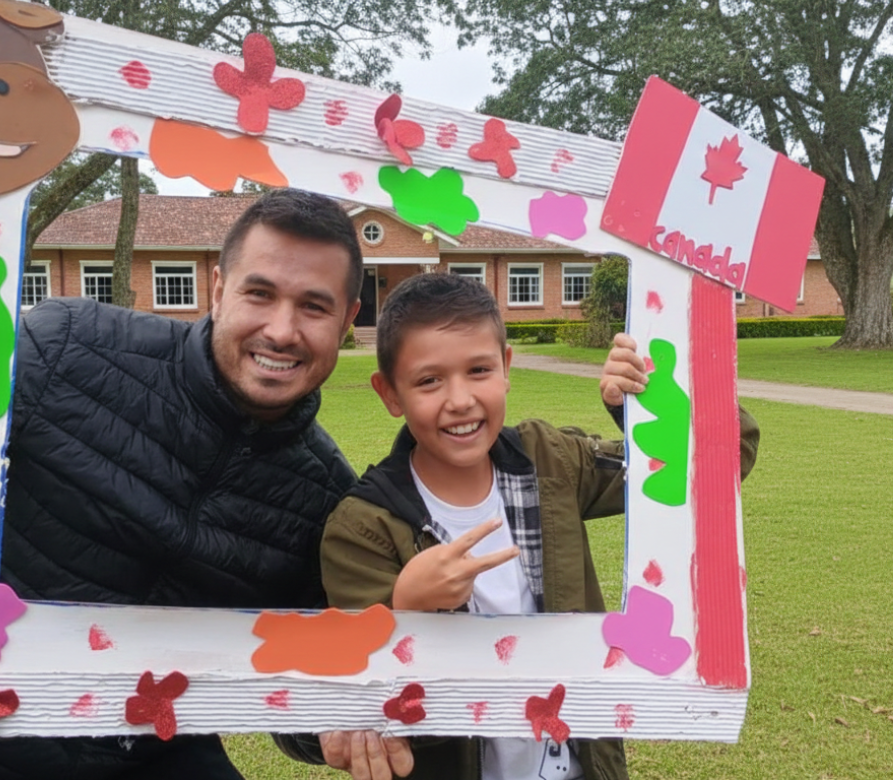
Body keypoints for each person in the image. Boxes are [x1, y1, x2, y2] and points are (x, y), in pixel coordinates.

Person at [0, 189, 411, 779]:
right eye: (259, 293)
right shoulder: (66, 348)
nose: (282, 330)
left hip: (155, 748)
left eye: (314, 307)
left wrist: (335, 718)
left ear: (348, 320)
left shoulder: (324, 497)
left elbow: (302, 675)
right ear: (218, 288)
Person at [320, 272, 760, 780]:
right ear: (390, 393)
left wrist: (647, 401)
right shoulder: (363, 527)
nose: (460, 399)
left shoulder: (550, 461)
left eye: (479, 370)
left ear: (506, 368)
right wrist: (407, 607)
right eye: (428, 381)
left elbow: (718, 463)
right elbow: (374, 714)